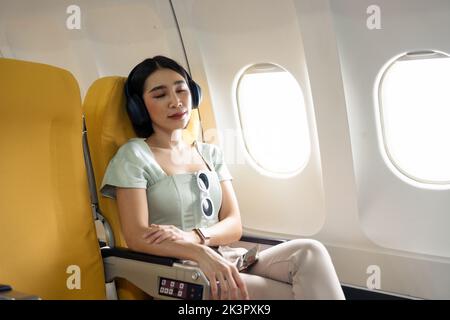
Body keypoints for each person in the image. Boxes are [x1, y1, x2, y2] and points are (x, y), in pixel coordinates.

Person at [100, 55, 345, 300]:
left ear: (193, 95)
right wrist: (198, 253)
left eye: (181, 91)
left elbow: (234, 223)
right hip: (178, 271)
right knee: (297, 294)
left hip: (223, 256)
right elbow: (137, 237)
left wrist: (196, 239)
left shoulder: (209, 153)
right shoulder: (134, 156)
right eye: (160, 95)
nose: (176, 102)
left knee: (310, 252)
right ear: (139, 107)